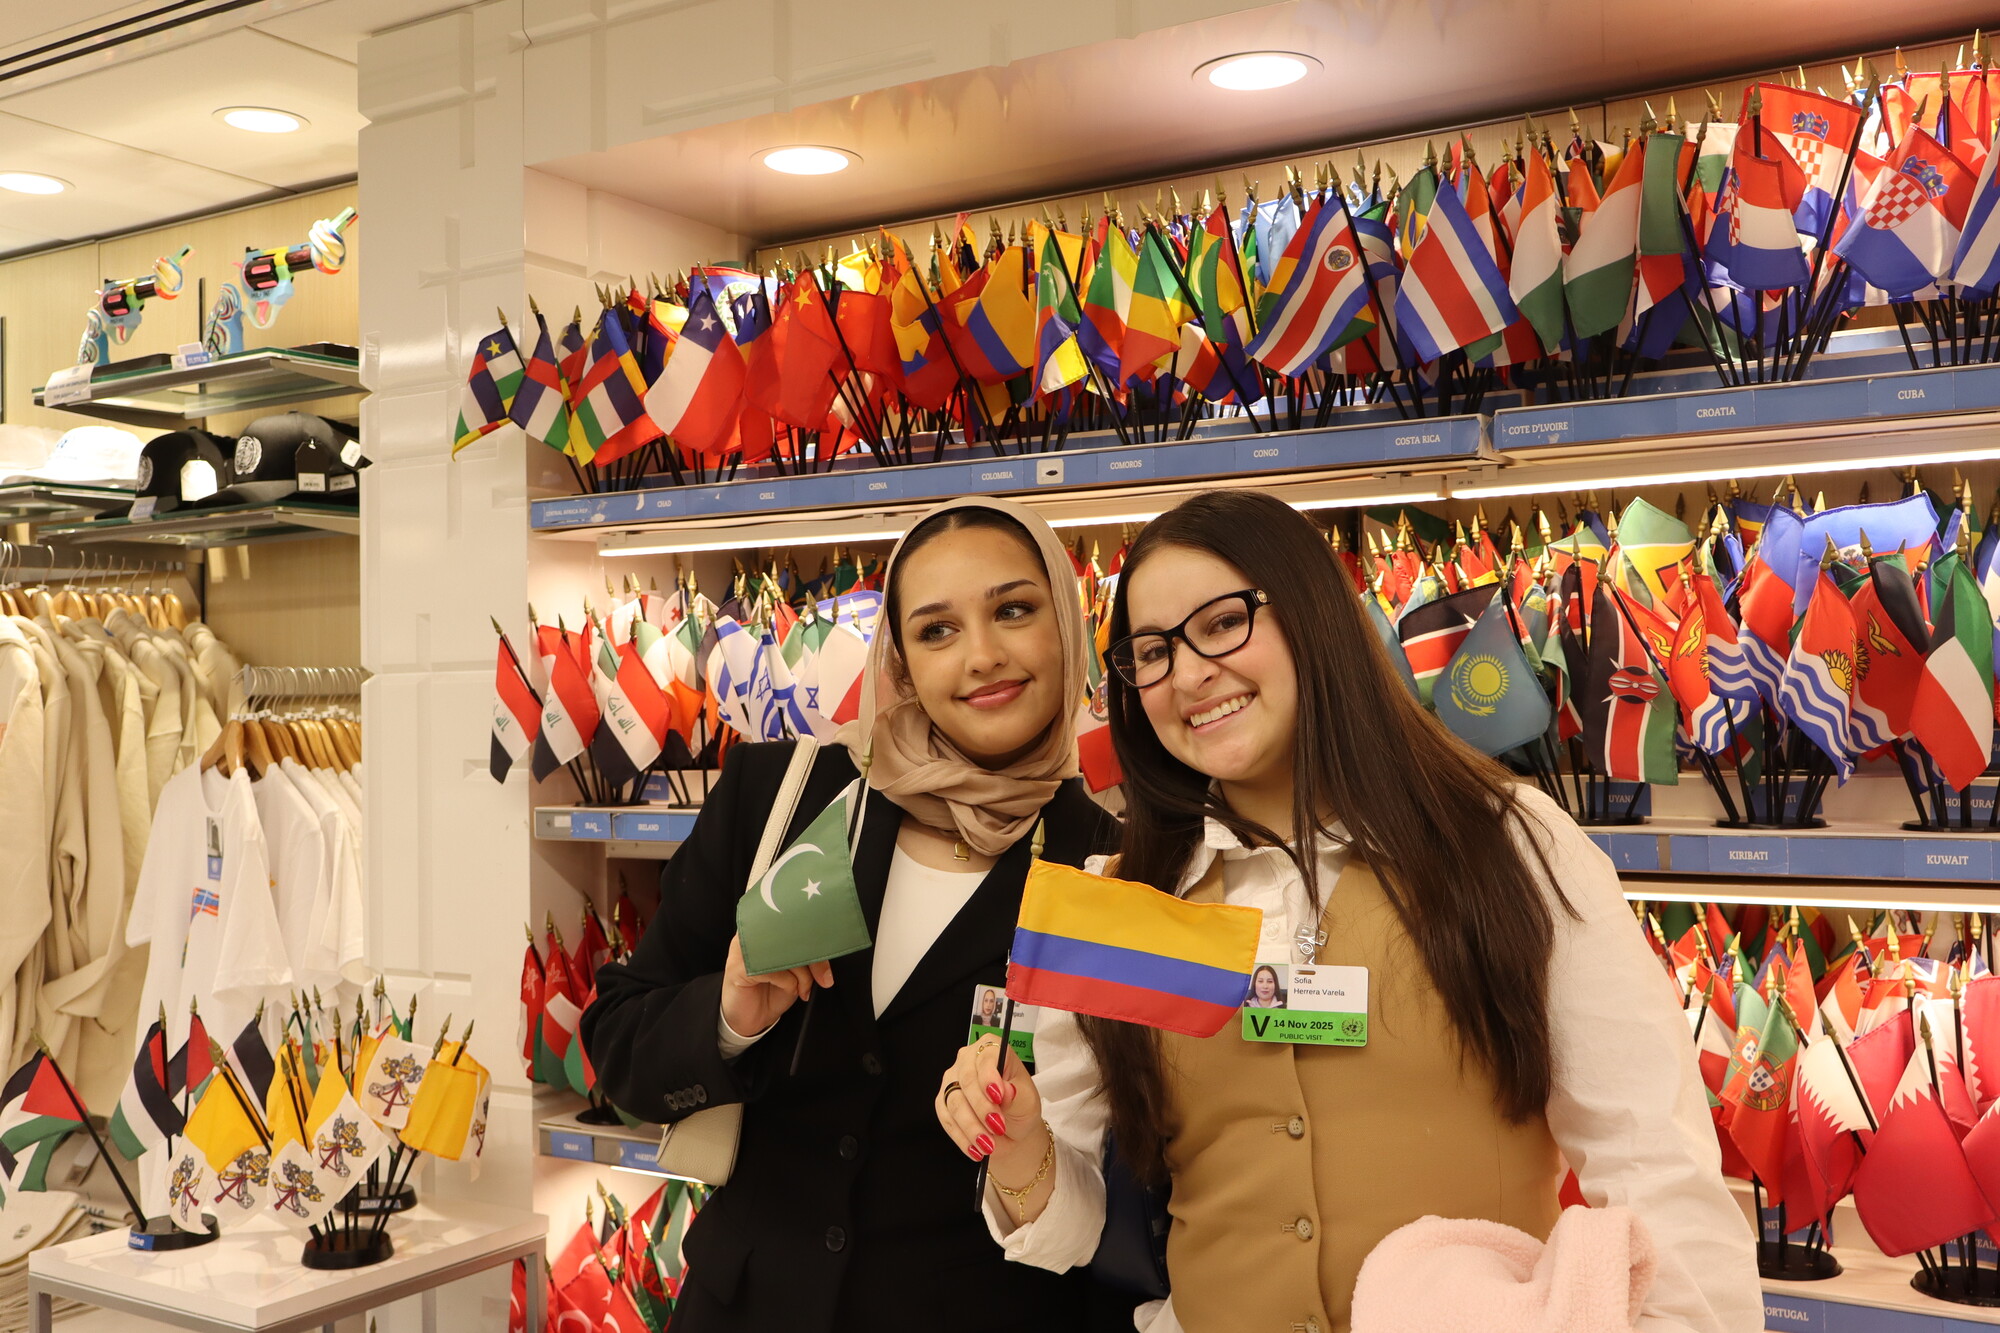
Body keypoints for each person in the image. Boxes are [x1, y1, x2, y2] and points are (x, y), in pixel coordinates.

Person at [935, 491, 1762, 1333]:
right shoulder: (1127, 897)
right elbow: (1070, 1230)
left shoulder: (1508, 845)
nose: (1187, 673)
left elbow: (1655, 1169)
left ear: (1311, 615)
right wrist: (1022, 1144)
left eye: (1221, 624)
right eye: (1151, 651)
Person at [583, 497, 1134, 1333]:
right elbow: (617, 1041)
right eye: (937, 630)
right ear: (902, 663)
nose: (982, 656)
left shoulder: (1113, 865)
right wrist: (727, 1015)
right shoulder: (783, 798)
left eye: (1014, 610)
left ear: (1067, 624)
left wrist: (1026, 1155)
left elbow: (1113, 1169)